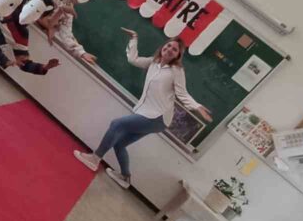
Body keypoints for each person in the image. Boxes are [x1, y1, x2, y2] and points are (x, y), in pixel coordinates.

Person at [74, 30, 212, 188]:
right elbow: (132, 59)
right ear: (163, 47)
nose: (169, 50)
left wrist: (197, 106)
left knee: (116, 124)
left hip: (157, 117)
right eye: (168, 46)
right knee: (119, 144)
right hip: (145, 113)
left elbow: (183, 93)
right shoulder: (153, 62)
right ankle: (125, 178)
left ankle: (95, 159)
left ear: (178, 55)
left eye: (174, 49)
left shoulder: (177, 71)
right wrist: (134, 39)